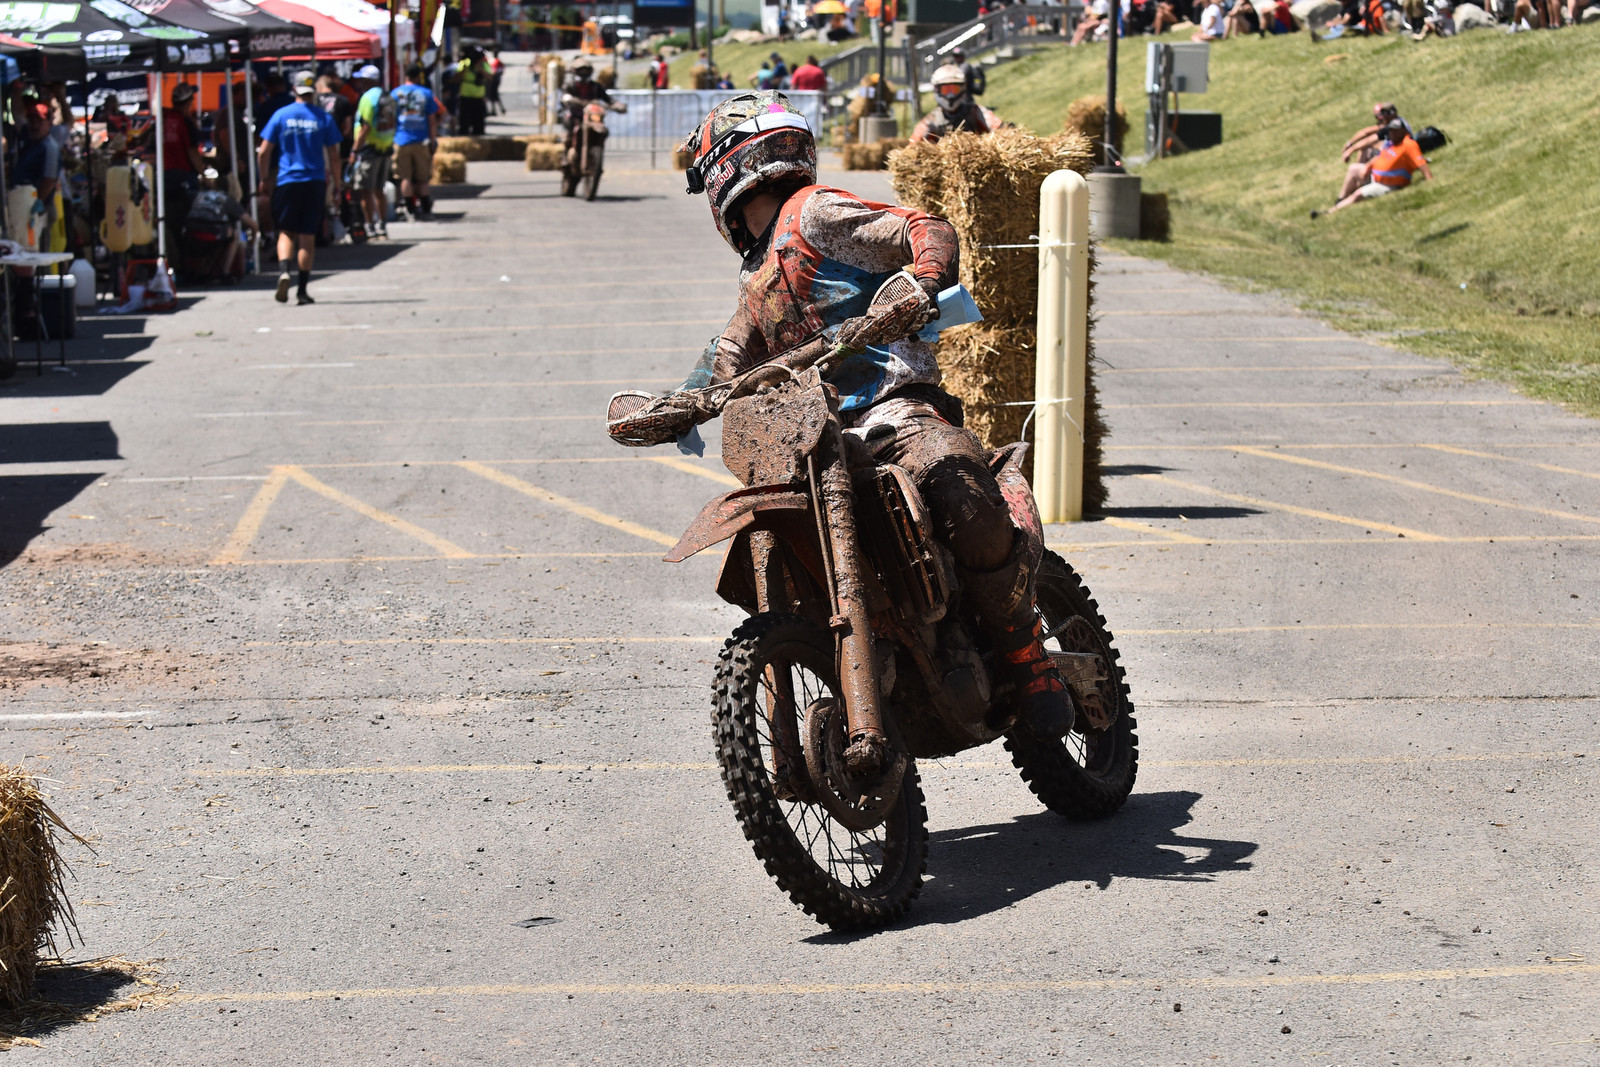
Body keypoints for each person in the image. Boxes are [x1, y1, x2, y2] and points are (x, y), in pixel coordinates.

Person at [655, 91, 1075, 737]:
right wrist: (682, 401)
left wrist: (922, 277)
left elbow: (922, 226)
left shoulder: (813, 213)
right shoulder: (758, 269)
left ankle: (1028, 658)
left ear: (723, 169)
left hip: (890, 406)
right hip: (813, 434)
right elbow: (730, 349)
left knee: (951, 477)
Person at [256, 71, 342, 305]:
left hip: (287, 180)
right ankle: (302, 290)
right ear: (312, 92)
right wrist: (338, 183)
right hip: (314, 181)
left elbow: (264, 151)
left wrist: (264, 178)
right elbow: (334, 155)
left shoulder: (281, 115)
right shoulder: (322, 117)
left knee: (285, 231)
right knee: (307, 236)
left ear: (294, 90)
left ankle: (284, 270)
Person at [1314, 119, 1431, 217]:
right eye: (1391, 131)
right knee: (1353, 169)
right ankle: (1340, 199)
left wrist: (1429, 179)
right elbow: (1380, 157)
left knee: (1358, 194)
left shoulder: (1409, 145)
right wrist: (1368, 167)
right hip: (1376, 176)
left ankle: (1329, 213)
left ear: (1403, 132)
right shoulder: (1392, 144)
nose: (1392, 134)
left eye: (1395, 131)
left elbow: (1420, 163)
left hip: (1388, 184)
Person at [351, 63, 397, 239]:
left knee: (365, 190)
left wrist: (355, 150)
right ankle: (382, 224)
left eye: (362, 79)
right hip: (385, 147)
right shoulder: (388, 96)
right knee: (379, 189)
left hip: (369, 150)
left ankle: (370, 225)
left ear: (368, 80)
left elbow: (365, 127)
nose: (360, 82)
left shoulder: (367, 98)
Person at [186, 167, 258, 279]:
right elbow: (253, 225)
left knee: (220, 232)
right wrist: (251, 244)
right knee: (234, 235)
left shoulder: (196, 195)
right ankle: (225, 271)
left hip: (192, 233)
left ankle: (205, 270)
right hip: (212, 234)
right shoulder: (227, 200)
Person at [391, 63, 440, 221]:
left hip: (401, 140)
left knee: (405, 177)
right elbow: (432, 120)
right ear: (418, 76)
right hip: (421, 140)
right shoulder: (426, 93)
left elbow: (390, 119)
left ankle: (410, 210)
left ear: (405, 75)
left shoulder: (395, 94)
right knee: (422, 178)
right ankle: (425, 209)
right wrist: (433, 140)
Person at [910, 64, 1002, 143]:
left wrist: (1005, 130)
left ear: (963, 88)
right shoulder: (930, 121)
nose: (950, 95)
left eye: (954, 89)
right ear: (937, 90)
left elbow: (998, 127)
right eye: (946, 90)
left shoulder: (975, 112)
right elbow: (914, 146)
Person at [162, 82, 205, 210]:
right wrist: (203, 175)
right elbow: (192, 152)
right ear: (189, 102)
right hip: (185, 175)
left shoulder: (165, 118)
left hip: (166, 173)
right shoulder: (185, 122)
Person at [456, 47, 489, 136]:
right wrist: (465, 69)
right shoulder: (464, 63)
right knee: (464, 123)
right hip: (465, 97)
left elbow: (490, 77)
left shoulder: (483, 64)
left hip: (478, 98)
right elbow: (456, 78)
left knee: (478, 124)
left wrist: (481, 69)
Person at [487, 47, 506, 115]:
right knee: (491, 95)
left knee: (494, 94)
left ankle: (499, 109)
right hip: (491, 79)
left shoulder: (498, 62)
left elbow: (500, 71)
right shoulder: (491, 61)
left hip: (495, 80)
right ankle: (495, 109)